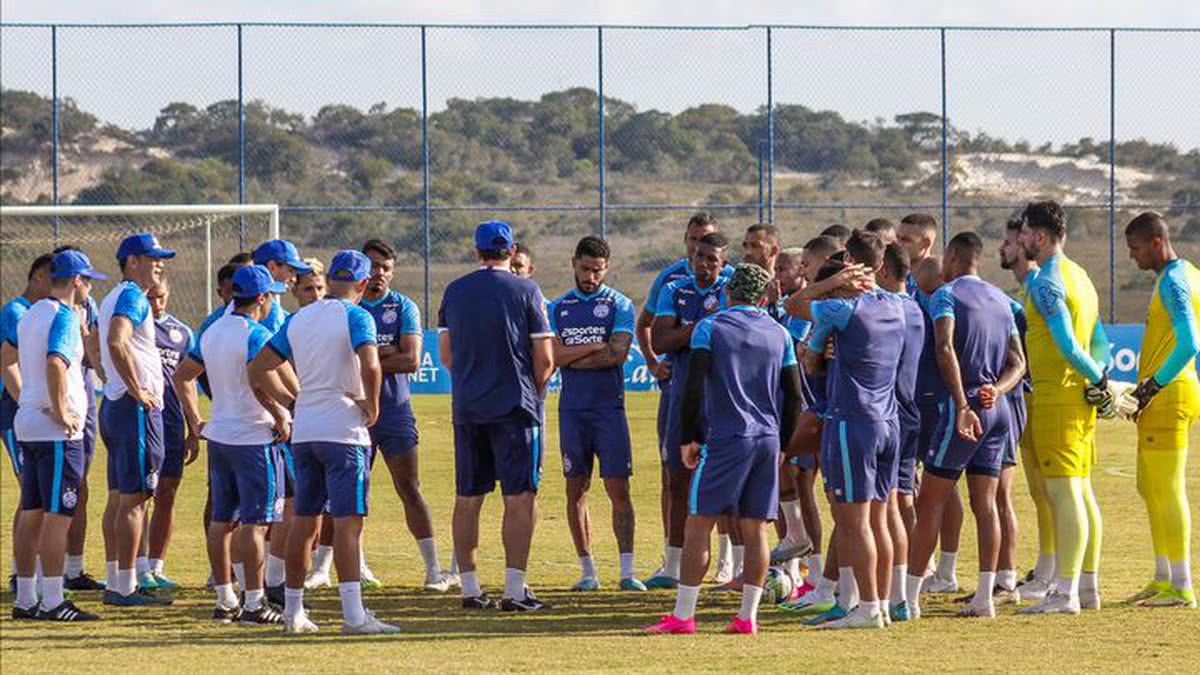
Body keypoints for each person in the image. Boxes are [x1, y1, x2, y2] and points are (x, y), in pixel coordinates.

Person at [645, 263, 802, 635]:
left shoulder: (710, 327)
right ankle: (747, 617)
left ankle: (684, 616)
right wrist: (784, 443)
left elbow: (693, 386)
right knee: (756, 528)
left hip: (727, 437)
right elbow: (794, 396)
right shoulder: (779, 334)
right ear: (764, 297)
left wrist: (689, 438)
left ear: (729, 293)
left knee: (699, 522)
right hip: (767, 439)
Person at [252, 249, 396, 634]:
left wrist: (286, 403)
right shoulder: (357, 315)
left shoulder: (301, 317)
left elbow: (259, 367)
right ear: (363, 284)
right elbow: (370, 362)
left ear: (331, 279)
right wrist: (373, 405)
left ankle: (294, 612)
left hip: (307, 429)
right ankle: (353, 615)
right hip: (343, 430)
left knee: (304, 521)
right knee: (348, 524)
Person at [904, 232, 1026, 620]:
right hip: (997, 407)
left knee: (931, 502)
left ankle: (907, 598)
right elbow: (1018, 363)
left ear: (953, 257)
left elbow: (944, 348)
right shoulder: (1001, 300)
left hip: (964, 406)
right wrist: (999, 389)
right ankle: (985, 597)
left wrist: (961, 404)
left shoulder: (946, 295)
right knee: (985, 504)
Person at [437, 221, 555, 612]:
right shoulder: (527, 290)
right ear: (513, 249)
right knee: (520, 497)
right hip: (515, 407)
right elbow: (546, 361)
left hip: (469, 407)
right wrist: (530, 390)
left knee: (468, 497)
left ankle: (470, 588)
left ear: (477, 251)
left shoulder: (455, 291)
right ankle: (515, 590)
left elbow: (447, 356)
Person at [793, 231, 903, 629]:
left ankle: (868, 607)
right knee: (878, 519)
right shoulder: (898, 306)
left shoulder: (843, 309)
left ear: (854, 265)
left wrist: (829, 284)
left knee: (854, 523)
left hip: (852, 422)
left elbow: (794, 304)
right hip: (889, 422)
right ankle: (884, 604)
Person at [175, 265, 289, 625]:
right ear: (261, 298)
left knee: (221, 520)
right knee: (256, 522)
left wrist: (195, 421)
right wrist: (280, 413)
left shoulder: (211, 332)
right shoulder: (255, 334)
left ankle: (226, 598)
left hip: (220, 436)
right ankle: (255, 602)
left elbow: (183, 377)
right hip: (253, 437)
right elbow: (259, 380)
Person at [1016, 200, 1112, 616]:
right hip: (1075, 401)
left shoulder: (1046, 282)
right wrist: (1098, 375)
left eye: (1023, 235)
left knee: (1065, 494)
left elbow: (1070, 345)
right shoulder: (1083, 277)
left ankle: (1065, 592)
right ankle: (1086, 588)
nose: (1020, 242)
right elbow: (1100, 342)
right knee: (1082, 493)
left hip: (1058, 399)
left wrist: (1100, 380)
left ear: (1038, 236)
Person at [633, 212, 734, 583]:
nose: (701, 256)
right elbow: (659, 337)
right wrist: (700, 329)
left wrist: (685, 332)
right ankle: (672, 563)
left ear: (723, 259)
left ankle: (729, 562)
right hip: (680, 392)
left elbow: (738, 333)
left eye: (709, 251)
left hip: (723, 395)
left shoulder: (734, 284)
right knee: (676, 476)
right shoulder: (674, 285)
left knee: (725, 476)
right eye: (695, 247)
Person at [11, 249, 106, 622]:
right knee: (58, 515)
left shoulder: (31, 312)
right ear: (77, 281)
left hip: (28, 423)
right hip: (55, 430)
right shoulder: (65, 316)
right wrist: (62, 407)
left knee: (32, 512)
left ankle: (25, 597)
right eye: (86, 282)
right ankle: (53, 600)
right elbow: (56, 362)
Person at [547, 236, 644, 592]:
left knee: (618, 486)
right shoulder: (557, 307)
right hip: (572, 410)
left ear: (608, 268)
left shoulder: (620, 304)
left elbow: (617, 354)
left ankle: (627, 571)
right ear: (574, 263)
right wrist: (592, 345)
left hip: (609, 409)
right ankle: (588, 570)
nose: (591, 277)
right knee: (577, 488)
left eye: (598, 271)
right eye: (586, 269)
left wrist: (571, 353)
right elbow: (552, 357)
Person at [357, 239, 450, 592]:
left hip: (394, 412)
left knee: (409, 488)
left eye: (384, 267)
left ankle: (433, 569)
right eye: (372, 266)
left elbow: (411, 360)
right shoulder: (349, 307)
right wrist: (386, 352)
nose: (378, 273)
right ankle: (356, 567)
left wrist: (366, 359)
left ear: (392, 271)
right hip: (354, 411)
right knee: (352, 493)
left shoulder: (404, 307)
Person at [1117, 211, 1199, 608]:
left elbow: (1189, 343)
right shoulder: (1185, 274)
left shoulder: (1175, 282)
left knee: (1166, 490)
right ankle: (1164, 577)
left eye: (1135, 249)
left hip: (1170, 395)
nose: (1132, 258)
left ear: (1155, 242)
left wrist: (1152, 385)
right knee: (1149, 487)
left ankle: (1182, 585)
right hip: (1165, 395)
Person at [98, 233, 175, 607]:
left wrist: (114, 382)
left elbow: (100, 342)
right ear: (132, 261)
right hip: (133, 409)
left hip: (116, 406)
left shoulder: (112, 296)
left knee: (119, 497)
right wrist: (136, 388)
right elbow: (116, 340)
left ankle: (117, 577)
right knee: (135, 498)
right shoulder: (131, 295)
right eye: (151, 257)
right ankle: (124, 586)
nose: (158, 263)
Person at [897, 212, 963, 593]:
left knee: (944, 483)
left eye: (908, 238)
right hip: (907, 397)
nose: (900, 242)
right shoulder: (903, 281)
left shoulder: (940, 288)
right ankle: (924, 561)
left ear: (926, 244)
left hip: (934, 397)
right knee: (913, 483)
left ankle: (947, 570)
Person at [875, 243, 924, 622]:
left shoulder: (885, 309)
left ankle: (885, 595)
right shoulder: (916, 309)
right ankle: (904, 595)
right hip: (908, 413)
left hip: (884, 413)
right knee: (901, 501)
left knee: (881, 507)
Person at [1, 253, 53, 593]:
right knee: (29, 489)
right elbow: (7, 363)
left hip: (34, 408)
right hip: (13, 406)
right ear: (36, 278)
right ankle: (23, 575)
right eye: (53, 277)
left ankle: (30, 570)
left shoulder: (45, 314)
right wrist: (27, 404)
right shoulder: (17, 313)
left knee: (36, 491)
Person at [996, 216, 1040, 601]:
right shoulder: (1022, 294)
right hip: (1023, 401)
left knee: (1004, 494)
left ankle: (1009, 578)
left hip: (1019, 401)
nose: (1003, 248)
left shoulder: (1034, 295)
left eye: (1009, 242)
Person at [141, 277, 192, 590]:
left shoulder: (182, 333)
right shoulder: (132, 328)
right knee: (139, 494)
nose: (156, 305)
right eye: (150, 298)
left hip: (172, 424)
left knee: (167, 494)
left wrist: (192, 427)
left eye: (161, 297)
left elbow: (187, 384)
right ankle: (133, 565)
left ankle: (156, 565)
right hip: (143, 421)